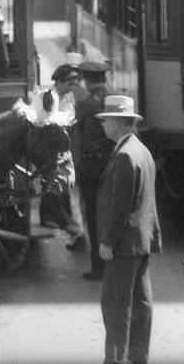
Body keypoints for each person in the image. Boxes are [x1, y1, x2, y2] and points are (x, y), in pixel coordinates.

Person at [96, 95, 162, 364]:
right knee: (141, 304)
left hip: (124, 244)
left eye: (105, 121)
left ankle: (115, 359)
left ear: (117, 123)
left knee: (115, 306)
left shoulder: (124, 156)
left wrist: (107, 242)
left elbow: (120, 206)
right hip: (142, 241)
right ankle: (138, 357)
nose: (103, 126)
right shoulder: (141, 151)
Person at [75, 60, 115, 281]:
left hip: (92, 169)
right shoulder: (115, 99)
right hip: (114, 165)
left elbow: (78, 136)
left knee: (93, 216)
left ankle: (98, 267)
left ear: (87, 80)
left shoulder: (86, 104)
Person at [39, 64, 85, 248]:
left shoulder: (68, 98)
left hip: (65, 151)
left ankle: (62, 223)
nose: (74, 85)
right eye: (70, 81)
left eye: (76, 81)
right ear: (59, 81)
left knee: (60, 190)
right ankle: (70, 226)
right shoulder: (49, 98)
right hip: (52, 151)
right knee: (58, 189)